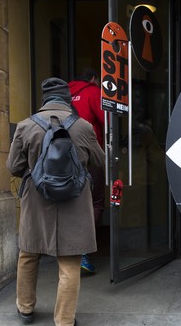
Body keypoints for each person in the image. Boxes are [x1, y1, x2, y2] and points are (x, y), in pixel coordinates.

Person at [7, 77, 105, 326]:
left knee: (28, 255)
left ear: (44, 100)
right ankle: (64, 320)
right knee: (70, 263)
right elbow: (99, 162)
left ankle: (26, 309)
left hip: (36, 201)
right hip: (74, 200)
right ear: (67, 99)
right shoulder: (83, 126)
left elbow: (13, 167)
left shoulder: (25, 126)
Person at [68, 68, 105, 274]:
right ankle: (82, 253)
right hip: (89, 156)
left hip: (61, 159)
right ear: (93, 79)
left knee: (69, 204)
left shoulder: (62, 95)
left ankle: (68, 252)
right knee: (95, 202)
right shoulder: (93, 92)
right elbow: (105, 121)